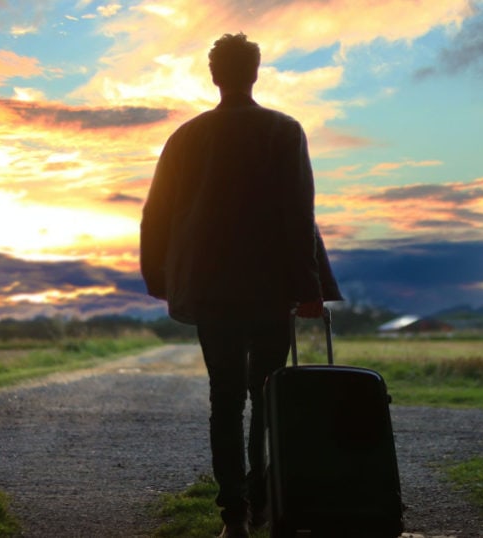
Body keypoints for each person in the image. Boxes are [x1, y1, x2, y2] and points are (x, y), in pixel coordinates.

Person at [140, 33, 342, 538]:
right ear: (255, 72)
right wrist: (311, 286)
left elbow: (156, 214)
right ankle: (261, 502)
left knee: (224, 397)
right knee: (268, 394)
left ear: (215, 75)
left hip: (210, 287)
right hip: (270, 286)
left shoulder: (185, 137)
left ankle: (233, 519)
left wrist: (162, 279)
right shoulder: (284, 130)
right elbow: (300, 214)